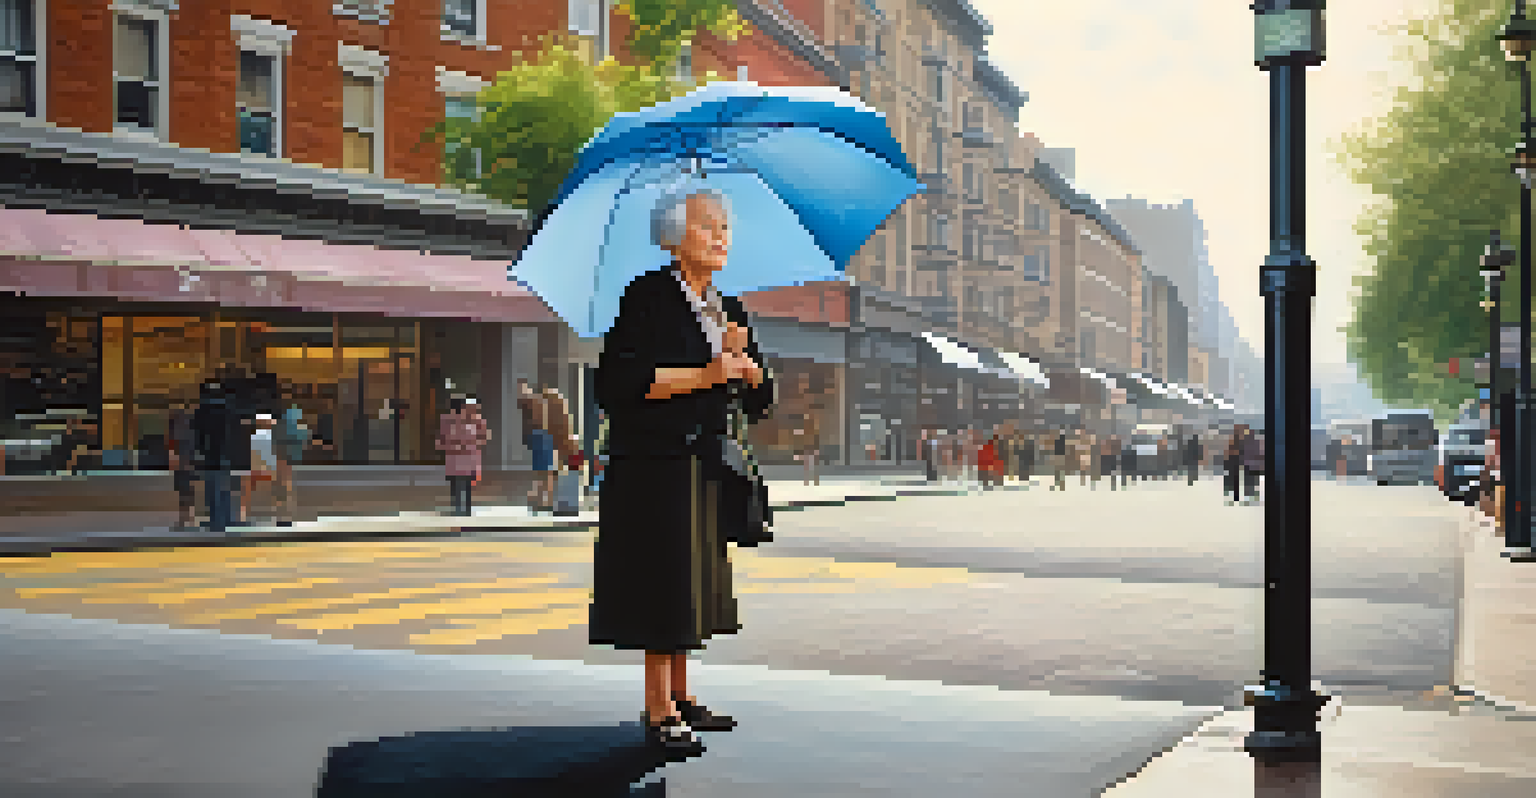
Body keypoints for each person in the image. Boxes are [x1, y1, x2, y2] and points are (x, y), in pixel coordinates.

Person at [589, 188, 773, 753]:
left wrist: (748, 369)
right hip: (654, 466)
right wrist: (710, 372)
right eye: (706, 226)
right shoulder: (647, 297)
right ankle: (657, 706)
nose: (720, 237)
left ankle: (684, 694)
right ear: (674, 237)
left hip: (705, 462)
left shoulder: (728, 308)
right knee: (662, 584)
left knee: (693, 586)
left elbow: (758, 402)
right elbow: (619, 386)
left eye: (725, 228)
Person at [436, 396, 490, 517]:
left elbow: (483, 438)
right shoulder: (447, 420)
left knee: (467, 485)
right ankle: (457, 508)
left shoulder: (478, 421)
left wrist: (470, 444)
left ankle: (466, 509)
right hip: (454, 458)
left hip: (469, 458)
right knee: (456, 484)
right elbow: (441, 440)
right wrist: (453, 446)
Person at [517, 379, 556, 511]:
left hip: (540, 436)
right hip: (540, 436)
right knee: (543, 471)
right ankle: (541, 500)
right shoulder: (535, 402)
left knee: (543, 471)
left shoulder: (535, 401)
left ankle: (541, 500)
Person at [271, 399, 309, 527]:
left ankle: (283, 517)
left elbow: (275, 443)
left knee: (282, 491)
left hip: (283, 461)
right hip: (291, 461)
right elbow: (304, 441)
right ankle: (286, 516)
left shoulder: (280, 427)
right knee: (286, 491)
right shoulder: (300, 428)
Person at [166, 398, 199, 531]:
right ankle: (189, 520)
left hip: (183, 462)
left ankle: (185, 521)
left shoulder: (179, 423)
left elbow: (175, 443)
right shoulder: (191, 423)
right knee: (188, 491)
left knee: (184, 491)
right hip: (188, 462)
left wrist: (173, 457)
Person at [243, 413, 279, 525]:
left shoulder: (254, 436)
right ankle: (272, 515)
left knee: (252, 493)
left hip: (255, 469)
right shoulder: (270, 437)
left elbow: (252, 454)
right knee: (271, 493)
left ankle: (249, 515)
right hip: (267, 469)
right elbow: (271, 456)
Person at [1224, 427, 1245, 505]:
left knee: (1234, 478)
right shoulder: (1238, 441)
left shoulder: (1234, 441)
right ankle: (1235, 495)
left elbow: (1229, 451)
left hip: (1234, 461)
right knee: (1235, 478)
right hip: (1234, 461)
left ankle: (1235, 495)